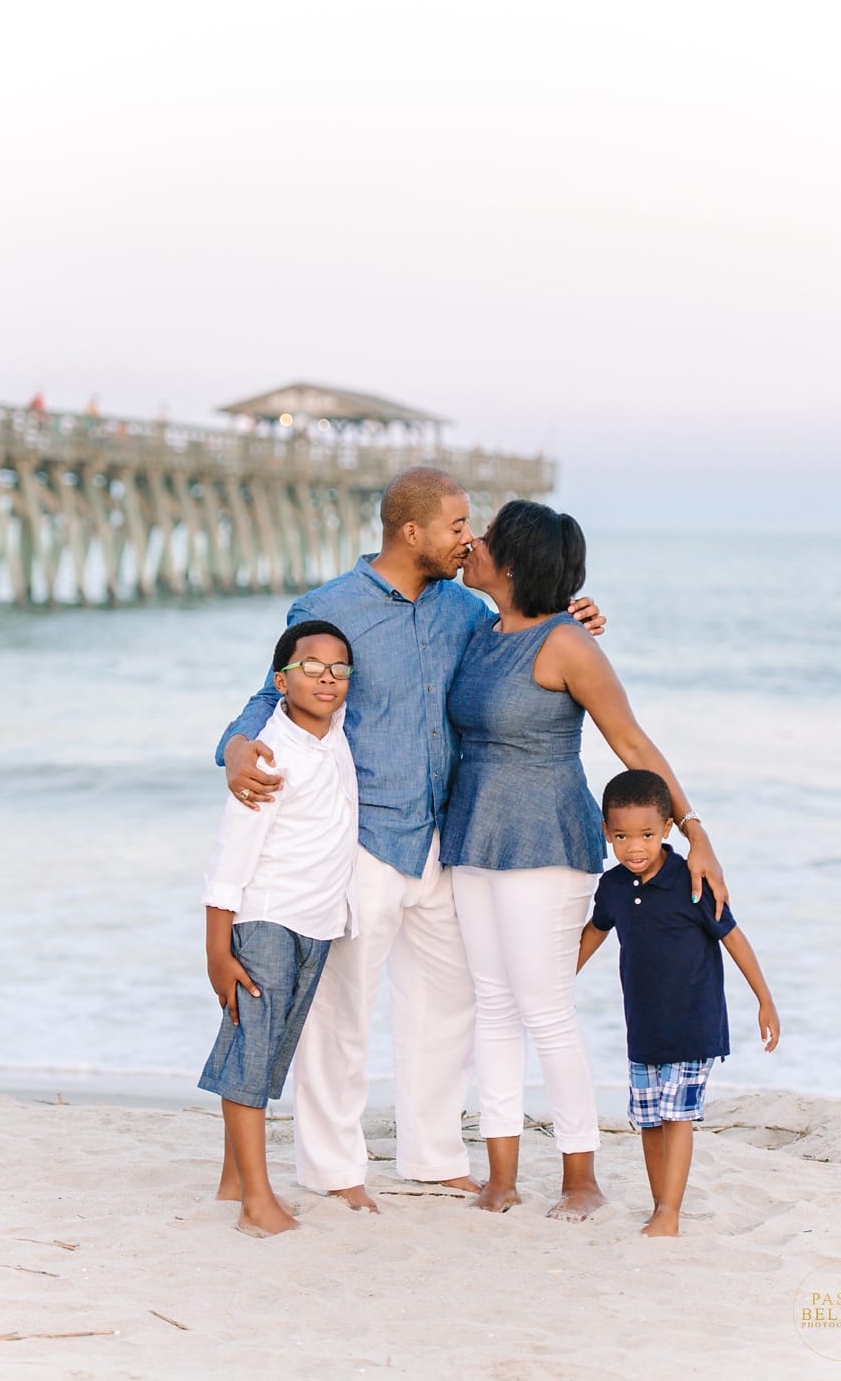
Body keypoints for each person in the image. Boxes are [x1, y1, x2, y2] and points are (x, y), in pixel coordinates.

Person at [218, 467, 604, 1212]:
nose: (470, 540)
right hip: (362, 837)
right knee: (342, 1010)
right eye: (459, 527)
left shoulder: (467, 610)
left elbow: (527, 648)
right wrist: (234, 748)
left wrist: (570, 618)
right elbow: (272, 695)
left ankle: (432, 1155)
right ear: (412, 532)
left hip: (449, 836)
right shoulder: (329, 608)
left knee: (450, 1004)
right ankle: (336, 1169)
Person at [440, 499, 727, 1219]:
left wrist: (694, 830)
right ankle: (501, 1176)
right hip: (473, 836)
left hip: (547, 841)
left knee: (545, 1009)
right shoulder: (481, 630)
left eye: (487, 538)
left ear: (513, 562)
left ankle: (579, 1179)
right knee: (494, 1007)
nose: (470, 543)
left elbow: (631, 743)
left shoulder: (568, 644)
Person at [198, 620, 358, 1237]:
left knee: (268, 1054)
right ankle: (256, 1204)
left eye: (339, 669)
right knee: (252, 1053)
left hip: (316, 922)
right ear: (279, 680)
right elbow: (230, 855)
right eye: (311, 666)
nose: (326, 677)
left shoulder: (337, 734)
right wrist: (217, 949)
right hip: (267, 919)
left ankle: (233, 1178)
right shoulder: (268, 753)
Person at [578, 769, 779, 1237]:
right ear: (606, 832)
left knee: (677, 1117)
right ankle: (660, 1205)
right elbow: (594, 933)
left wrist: (764, 1001)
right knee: (648, 1121)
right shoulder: (611, 887)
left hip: (694, 1025)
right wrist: (557, 977)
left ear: (667, 828)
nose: (635, 847)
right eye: (622, 836)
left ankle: (670, 1213)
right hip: (644, 1029)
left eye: (646, 835)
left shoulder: (692, 880)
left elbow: (734, 938)